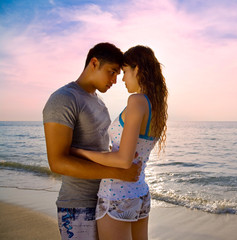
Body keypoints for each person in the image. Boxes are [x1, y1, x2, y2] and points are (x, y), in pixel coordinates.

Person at [43, 42, 141, 240]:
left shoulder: (98, 102)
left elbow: (99, 149)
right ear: (94, 63)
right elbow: (57, 162)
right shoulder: (64, 99)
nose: (115, 80)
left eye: (118, 74)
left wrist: (121, 156)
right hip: (78, 207)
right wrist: (117, 172)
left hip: (105, 202)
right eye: (112, 72)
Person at [71, 45, 168, 240]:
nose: (122, 79)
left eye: (124, 72)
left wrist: (80, 152)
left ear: (137, 69)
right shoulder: (156, 107)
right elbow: (135, 152)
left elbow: (124, 160)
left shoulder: (137, 101)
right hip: (139, 194)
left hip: (116, 195)